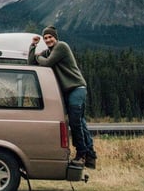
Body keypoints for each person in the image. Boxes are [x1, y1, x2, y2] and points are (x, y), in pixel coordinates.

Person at [28, 26, 97, 169]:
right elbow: (31, 64)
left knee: (74, 121)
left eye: (50, 37)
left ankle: (81, 154)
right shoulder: (48, 52)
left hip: (77, 88)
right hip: (67, 92)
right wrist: (33, 46)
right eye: (45, 38)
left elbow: (46, 63)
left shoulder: (61, 46)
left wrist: (38, 56)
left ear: (55, 37)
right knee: (80, 122)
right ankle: (91, 156)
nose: (47, 40)